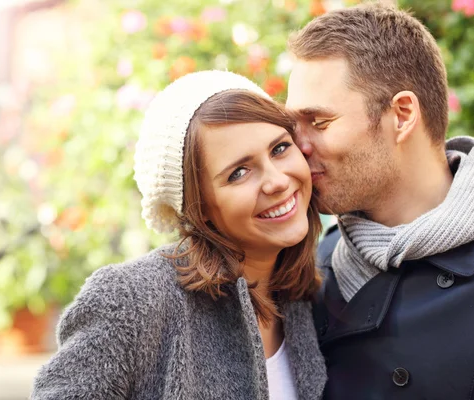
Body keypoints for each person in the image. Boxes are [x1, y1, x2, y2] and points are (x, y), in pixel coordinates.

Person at [285, 4, 474, 400]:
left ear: (402, 115)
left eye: (318, 123)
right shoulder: (315, 265)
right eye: (293, 126)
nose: (296, 149)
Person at [31, 70, 327, 400]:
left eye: (279, 149)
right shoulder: (131, 301)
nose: (277, 181)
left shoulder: (309, 295)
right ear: (198, 209)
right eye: (238, 173)